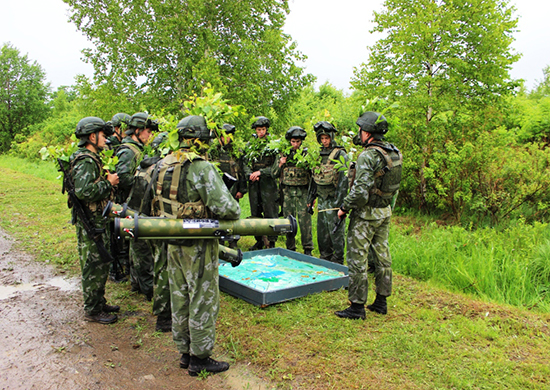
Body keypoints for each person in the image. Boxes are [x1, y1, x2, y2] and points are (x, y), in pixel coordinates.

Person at [143, 115, 240, 375]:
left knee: (180, 295)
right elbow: (228, 208)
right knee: (202, 298)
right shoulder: (201, 167)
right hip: (198, 242)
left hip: (172, 241)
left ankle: (184, 352)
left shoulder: (163, 165)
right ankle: (200, 357)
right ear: (200, 140)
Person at [335, 112, 402, 319]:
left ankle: (356, 307)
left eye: (361, 130)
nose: (359, 133)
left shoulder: (368, 156)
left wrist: (344, 208)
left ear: (367, 132)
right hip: (385, 211)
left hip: (366, 214)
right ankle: (381, 301)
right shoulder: (394, 153)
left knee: (357, 258)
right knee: (382, 256)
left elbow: (360, 191)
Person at [69, 117, 120, 324]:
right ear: (92, 136)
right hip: (91, 222)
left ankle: (98, 302)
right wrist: (108, 183)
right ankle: (92, 310)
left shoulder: (89, 158)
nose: (106, 139)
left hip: (95, 220)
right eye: (103, 135)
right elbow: (84, 191)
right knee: (93, 265)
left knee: (100, 264)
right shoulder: (87, 160)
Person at [126, 131, 172, 332]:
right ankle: (158, 306)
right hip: (149, 220)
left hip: (135, 216)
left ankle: (138, 285)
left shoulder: (143, 167)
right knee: (158, 263)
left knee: (137, 253)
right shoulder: (158, 171)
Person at [116, 112, 156, 300]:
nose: (149, 136)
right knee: (140, 246)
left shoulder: (137, 149)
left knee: (137, 245)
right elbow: (122, 178)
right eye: (148, 131)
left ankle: (137, 283)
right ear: (138, 130)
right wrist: (141, 179)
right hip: (131, 203)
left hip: (135, 202)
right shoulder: (128, 150)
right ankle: (144, 286)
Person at [307, 121, 348, 264]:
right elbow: (314, 178)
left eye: (327, 138)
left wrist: (341, 204)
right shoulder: (317, 155)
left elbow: (344, 181)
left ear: (331, 137)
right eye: (322, 138)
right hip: (322, 200)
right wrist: (310, 199)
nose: (324, 141)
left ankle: (338, 260)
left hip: (334, 199)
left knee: (336, 232)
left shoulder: (340, 154)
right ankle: (325, 257)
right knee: (322, 231)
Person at [272, 126, 314, 255]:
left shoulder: (307, 155)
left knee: (305, 222)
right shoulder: (282, 154)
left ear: (302, 142)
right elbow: (273, 173)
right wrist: (280, 164)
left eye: (298, 142)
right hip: (287, 193)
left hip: (303, 193)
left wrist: (312, 198)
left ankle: (308, 249)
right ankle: (290, 248)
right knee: (288, 221)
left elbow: (313, 176)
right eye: (293, 142)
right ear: (289, 141)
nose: (295, 144)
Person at [208, 123, 248, 248]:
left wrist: (242, 189)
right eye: (224, 136)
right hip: (217, 189)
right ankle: (219, 241)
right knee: (218, 215)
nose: (226, 139)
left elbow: (241, 171)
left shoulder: (236, 151)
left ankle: (233, 241)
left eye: (229, 136)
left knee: (232, 214)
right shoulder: (213, 151)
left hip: (233, 189)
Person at [244, 116, 279, 250]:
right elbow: (245, 163)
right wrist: (250, 174)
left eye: (263, 129)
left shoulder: (273, 146)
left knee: (270, 213)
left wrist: (261, 173)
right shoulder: (250, 145)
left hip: (268, 185)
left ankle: (272, 242)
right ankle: (259, 240)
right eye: (259, 130)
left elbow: (275, 168)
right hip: (254, 185)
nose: (261, 132)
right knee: (255, 212)